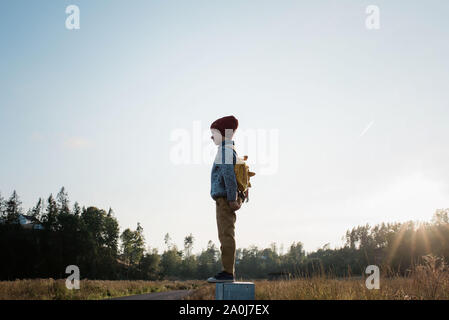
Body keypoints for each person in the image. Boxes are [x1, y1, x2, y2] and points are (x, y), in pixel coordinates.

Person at [207, 115, 243, 283]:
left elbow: (228, 174)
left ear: (222, 133)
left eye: (214, 132)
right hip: (224, 200)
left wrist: (231, 199)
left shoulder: (224, 150)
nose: (211, 136)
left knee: (226, 235)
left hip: (224, 200)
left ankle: (228, 273)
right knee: (225, 235)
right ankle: (227, 271)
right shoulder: (229, 149)